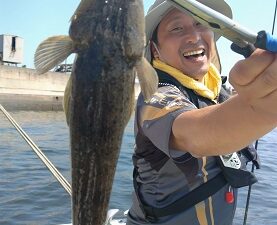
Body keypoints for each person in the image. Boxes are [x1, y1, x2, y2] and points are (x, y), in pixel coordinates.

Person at [127, 0, 277, 225]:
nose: (194, 36)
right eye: (177, 28)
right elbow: (196, 135)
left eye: (201, 23)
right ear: (154, 49)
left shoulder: (218, 91)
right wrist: (262, 108)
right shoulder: (155, 97)